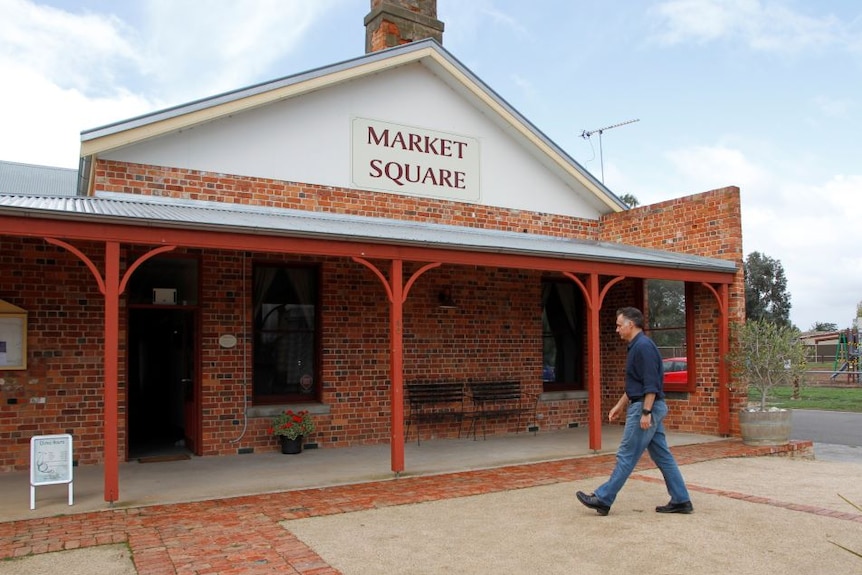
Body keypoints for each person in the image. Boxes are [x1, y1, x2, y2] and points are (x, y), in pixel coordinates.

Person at [576, 306, 693, 516]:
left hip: (646, 407)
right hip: (644, 405)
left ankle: (603, 499)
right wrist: (619, 406)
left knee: (626, 454)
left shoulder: (643, 348)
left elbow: (651, 385)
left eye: (619, 325)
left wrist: (646, 413)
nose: (617, 329)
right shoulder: (637, 346)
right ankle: (681, 500)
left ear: (631, 324)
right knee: (662, 456)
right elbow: (636, 385)